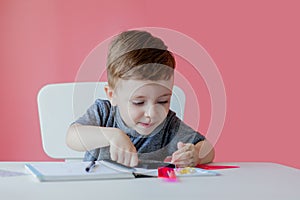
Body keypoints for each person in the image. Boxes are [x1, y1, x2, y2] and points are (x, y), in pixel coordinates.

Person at [66, 30, 215, 167]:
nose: (152, 113)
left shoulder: (168, 125)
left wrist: (196, 154)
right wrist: (112, 136)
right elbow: (72, 137)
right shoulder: (103, 113)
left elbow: (208, 148)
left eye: (162, 101)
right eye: (139, 102)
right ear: (112, 95)